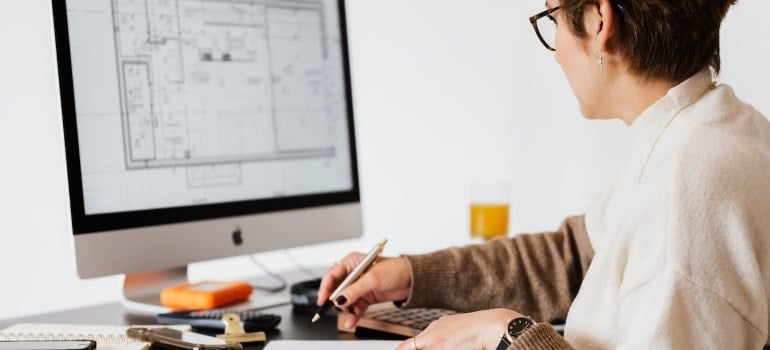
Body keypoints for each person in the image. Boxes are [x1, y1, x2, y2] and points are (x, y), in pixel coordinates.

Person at [318, 0, 770, 348]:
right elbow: (573, 256)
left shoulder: (688, 190)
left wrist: (505, 334)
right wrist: (412, 274)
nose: (555, 53)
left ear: (598, 19)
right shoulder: (703, 132)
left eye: (552, 19)